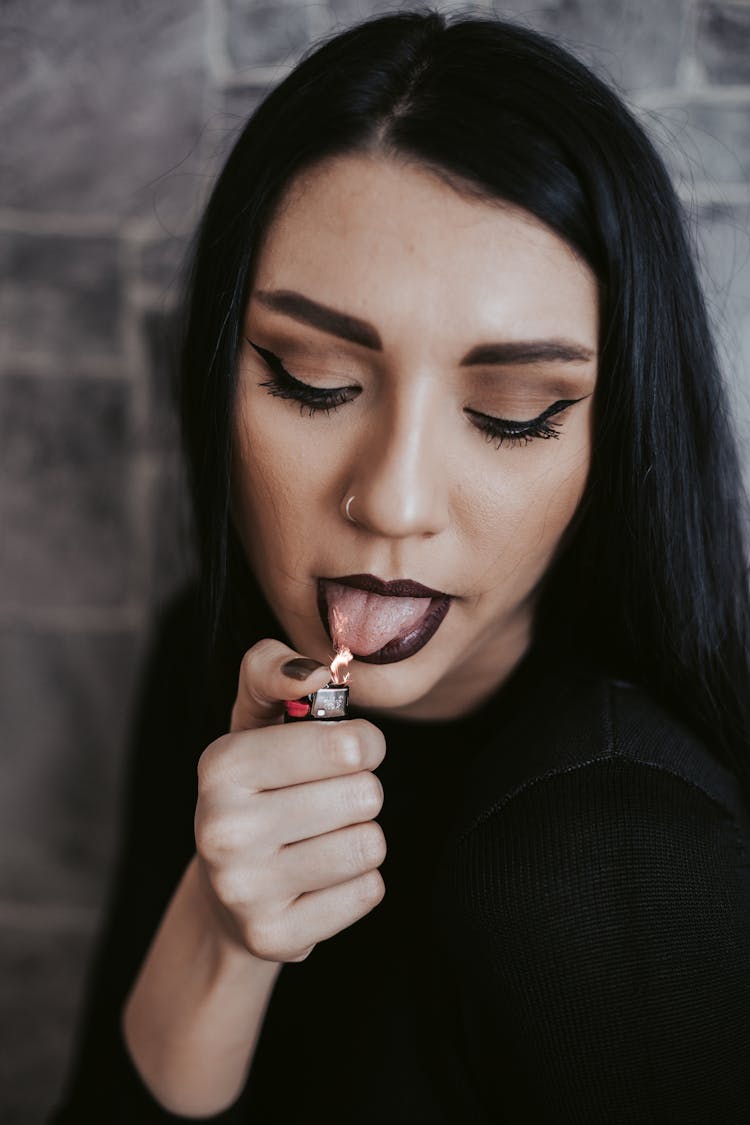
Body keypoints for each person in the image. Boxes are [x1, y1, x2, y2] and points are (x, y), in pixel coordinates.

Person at [52, 9, 750, 1123]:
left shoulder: (617, 864)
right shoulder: (220, 644)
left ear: (616, 440)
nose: (394, 500)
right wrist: (222, 931)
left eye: (513, 413)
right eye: (314, 378)